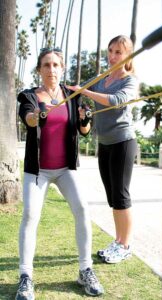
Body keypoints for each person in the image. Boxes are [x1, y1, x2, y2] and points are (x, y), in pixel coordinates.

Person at [15, 47, 104, 300]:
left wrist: (85, 118)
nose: (51, 69)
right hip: (38, 171)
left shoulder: (73, 95)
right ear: (39, 70)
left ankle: (85, 270)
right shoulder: (29, 95)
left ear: (61, 68)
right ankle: (25, 277)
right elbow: (29, 118)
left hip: (66, 169)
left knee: (82, 210)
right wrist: (38, 114)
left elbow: (84, 130)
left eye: (55, 65)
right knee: (31, 215)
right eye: (46, 65)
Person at [67, 35, 138, 264]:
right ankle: (118, 241)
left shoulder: (130, 81)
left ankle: (125, 245)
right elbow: (82, 97)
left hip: (123, 142)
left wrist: (85, 92)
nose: (113, 56)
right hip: (105, 143)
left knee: (121, 195)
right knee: (112, 196)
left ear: (127, 55)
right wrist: (83, 108)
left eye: (118, 52)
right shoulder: (101, 79)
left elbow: (117, 100)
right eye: (110, 51)